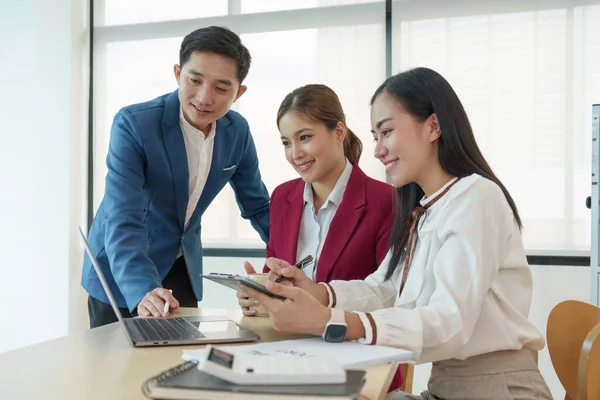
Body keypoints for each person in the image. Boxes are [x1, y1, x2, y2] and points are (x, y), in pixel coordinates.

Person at [242, 68, 553, 399]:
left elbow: (450, 323)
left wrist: (328, 321)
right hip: (447, 387)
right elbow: (385, 288)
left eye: (387, 131)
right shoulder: (425, 210)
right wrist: (318, 293)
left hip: (498, 389)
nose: (377, 150)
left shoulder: (476, 197)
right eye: (376, 137)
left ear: (434, 126)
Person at [82, 26, 270, 329]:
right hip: (123, 270)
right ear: (177, 74)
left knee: (180, 365)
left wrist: (296, 263)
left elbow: (259, 207)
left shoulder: (237, 131)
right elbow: (123, 216)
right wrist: (143, 288)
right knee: (116, 368)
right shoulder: (134, 124)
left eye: (222, 89)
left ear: (239, 92)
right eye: (194, 80)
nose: (205, 98)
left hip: (181, 267)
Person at [237, 84, 403, 390]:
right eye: (286, 142)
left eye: (305, 137)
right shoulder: (282, 197)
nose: (295, 154)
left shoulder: (386, 201)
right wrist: (258, 293)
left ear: (339, 132)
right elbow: (276, 277)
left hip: (356, 358)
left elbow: (393, 298)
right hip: (286, 350)